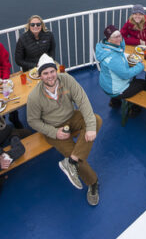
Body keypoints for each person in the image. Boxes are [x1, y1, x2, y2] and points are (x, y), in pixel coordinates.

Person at [26, 54, 102, 206]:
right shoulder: (34, 96)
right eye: (45, 73)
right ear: (40, 76)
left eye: (52, 71)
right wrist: (54, 132)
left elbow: (82, 101)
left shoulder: (67, 79)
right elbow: (33, 121)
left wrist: (90, 127)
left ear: (56, 71)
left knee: (96, 120)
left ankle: (71, 162)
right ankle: (93, 183)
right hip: (53, 127)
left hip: (71, 117)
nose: (50, 76)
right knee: (76, 153)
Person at [96, 25, 146, 110]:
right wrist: (140, 66)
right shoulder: (113, 58)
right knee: (143, 83)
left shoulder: (104, 47)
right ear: (109, 39)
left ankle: (115, 102)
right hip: (116, 91)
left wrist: (120, 39)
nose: (119, 39)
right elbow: (126, 75)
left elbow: (120, 48)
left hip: (106, 84)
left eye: (119, 36)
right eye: (116, 37)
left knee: (118, 75)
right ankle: (135, 108)